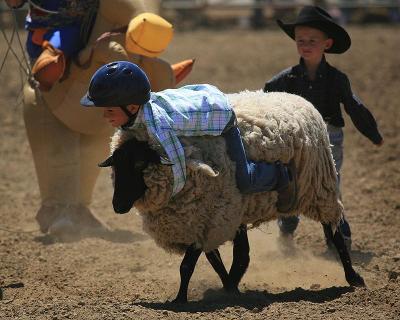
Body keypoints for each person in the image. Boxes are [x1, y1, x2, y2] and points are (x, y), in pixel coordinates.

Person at [80, 61, 298, 211]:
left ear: (132, 106)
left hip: (221, 118)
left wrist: (169, 197)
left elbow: (177, 165)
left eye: (109, 110)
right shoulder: (137, 111)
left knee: (243, 180)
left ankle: (282, 175)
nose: (104, 115)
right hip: (200, 99)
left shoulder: (159, 126)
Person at [263, 5, 384, 247]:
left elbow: (354, 106)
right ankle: (286, 233)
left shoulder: (338, 80)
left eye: (312, 40)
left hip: (330, 138)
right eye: (300, 40)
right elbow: (264, 101)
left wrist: (373, 134)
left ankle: (339, 239)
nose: (305, 44)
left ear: (327, 44)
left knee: (329, 186)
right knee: (293, 186)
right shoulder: (284, 80)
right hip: (297, 141)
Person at [5, 0, 99, 91]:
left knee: (50, 65)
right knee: (43, 65)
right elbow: (14, 3)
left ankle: (46, 83)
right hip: (36, 34)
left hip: (69, 29)